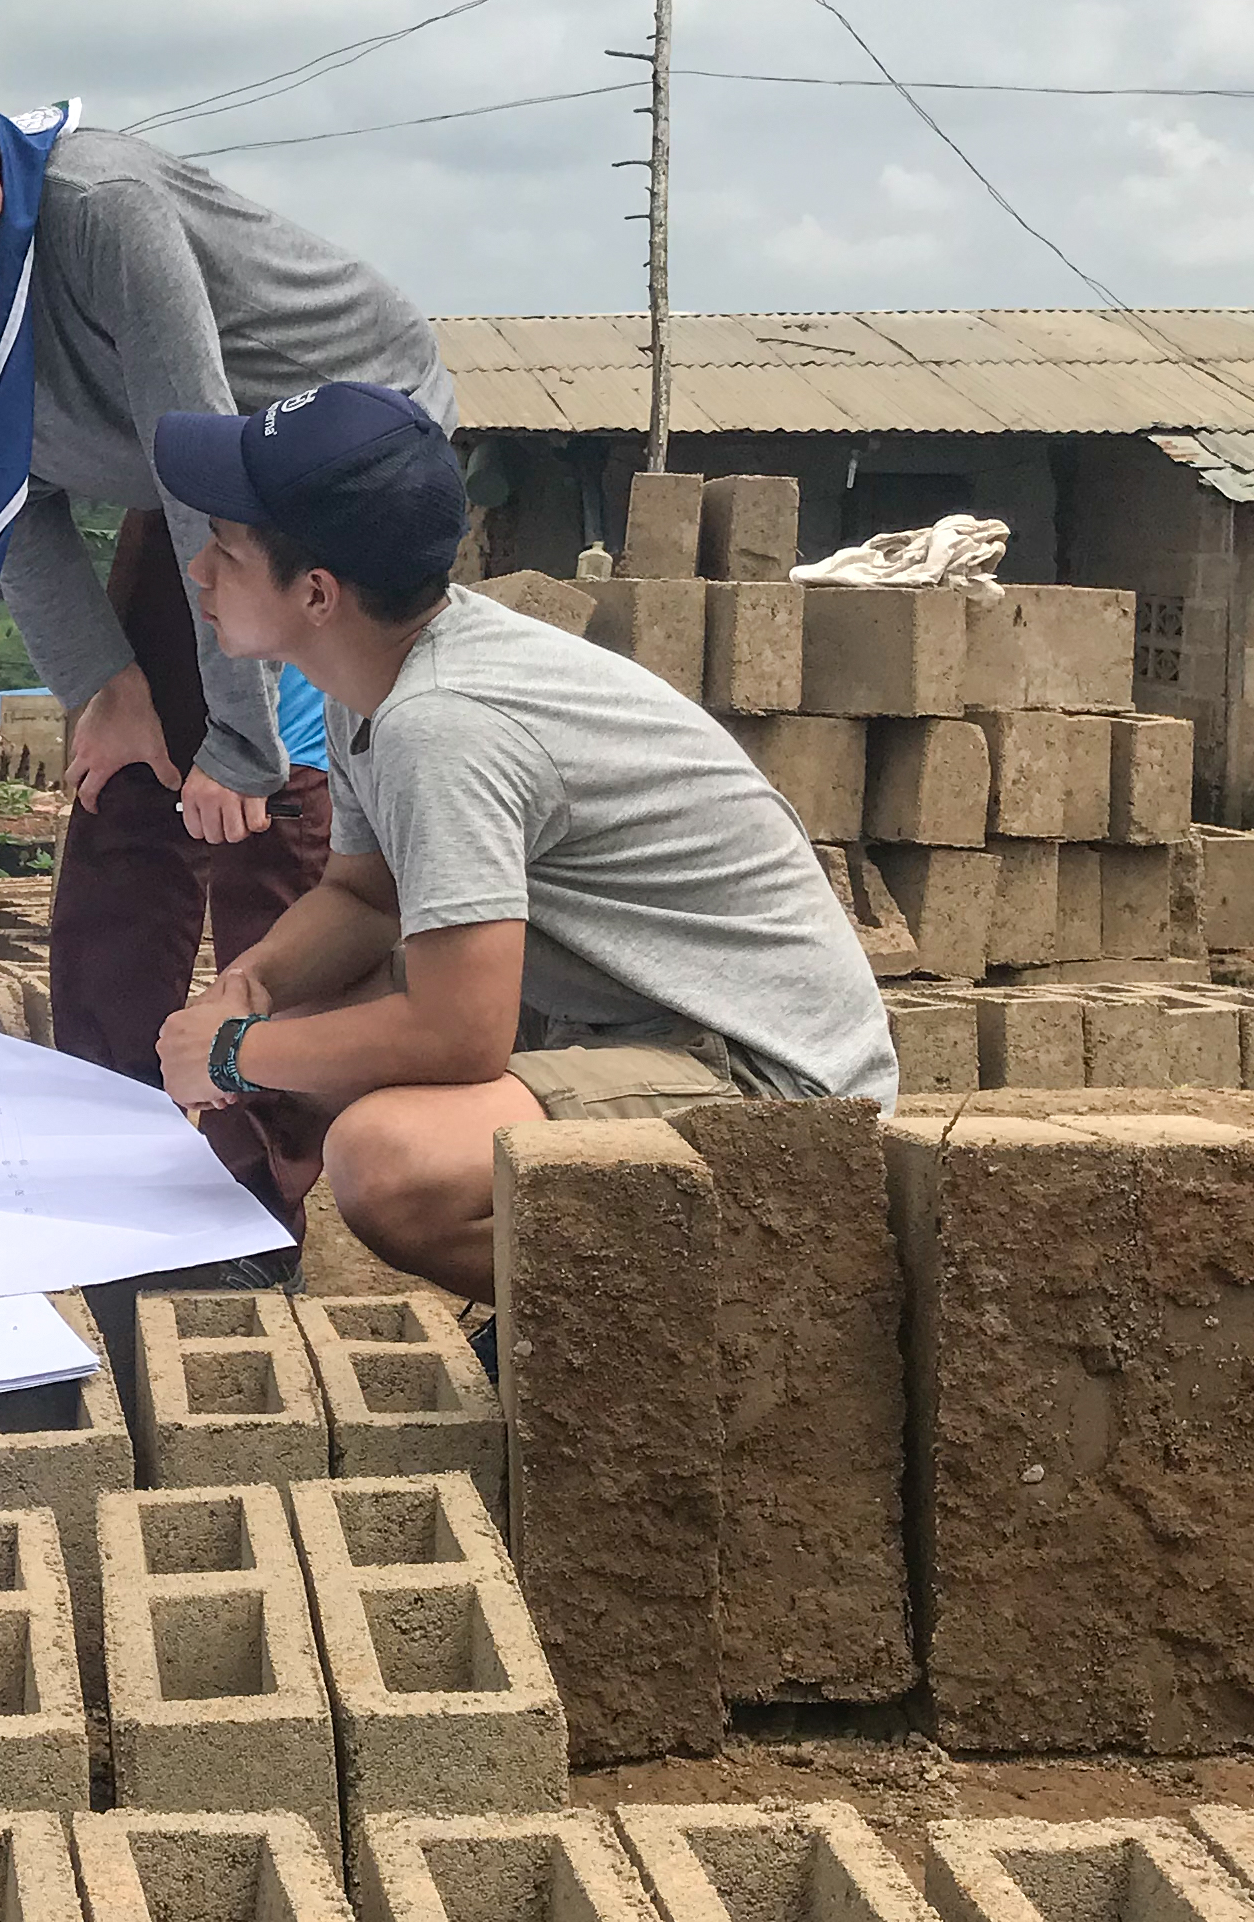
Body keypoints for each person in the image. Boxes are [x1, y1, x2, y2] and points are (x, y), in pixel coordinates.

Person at [0, 48, 457, 1213]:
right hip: (178, 468)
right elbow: (3, 496)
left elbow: (209, 471)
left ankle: (293, 1170)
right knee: (128, 778)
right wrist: (104, 684)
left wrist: (240, 734)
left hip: (324, 456)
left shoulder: (105, 220)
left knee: (268, 806)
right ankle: (106, 1125)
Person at [139, 380, 893, 1303]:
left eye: (225, 550)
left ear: (318, 592)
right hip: (638, 1018)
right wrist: (250, 989)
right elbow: (366, 900)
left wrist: (235, 1054)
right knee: (313, 1036)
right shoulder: (372, 674)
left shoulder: (442, 723)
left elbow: (458, 1034)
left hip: (773, 1083)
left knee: (388, 1162)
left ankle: (681, 1341)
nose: (199, 573)